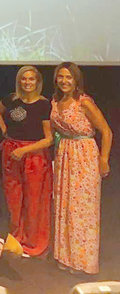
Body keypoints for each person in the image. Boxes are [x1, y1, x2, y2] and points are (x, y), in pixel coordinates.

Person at [51, 62, 112, 274]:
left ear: (76, 80)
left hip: (84, 155)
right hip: (65, 154)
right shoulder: (56, 100)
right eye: (61, 77)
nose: (64, 81)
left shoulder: (83, 102)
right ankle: (66, 256)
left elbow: (106, 131)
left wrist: (103, 159)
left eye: (69, 77)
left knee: (82, 210)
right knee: (65, 206)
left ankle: (83, 261)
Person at [0, 65, 52, 257]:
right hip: (11, 154)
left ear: (37, 82)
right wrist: (4, 131)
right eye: (24, 79)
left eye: (31, 79)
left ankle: (31, 242)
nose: (27, 82)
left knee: (33, 199)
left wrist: (25, 150)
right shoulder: (11, 99)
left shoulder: (44, 104)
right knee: (12, 198)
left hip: (33, 155)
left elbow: (48, 139)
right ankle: (13, 238)